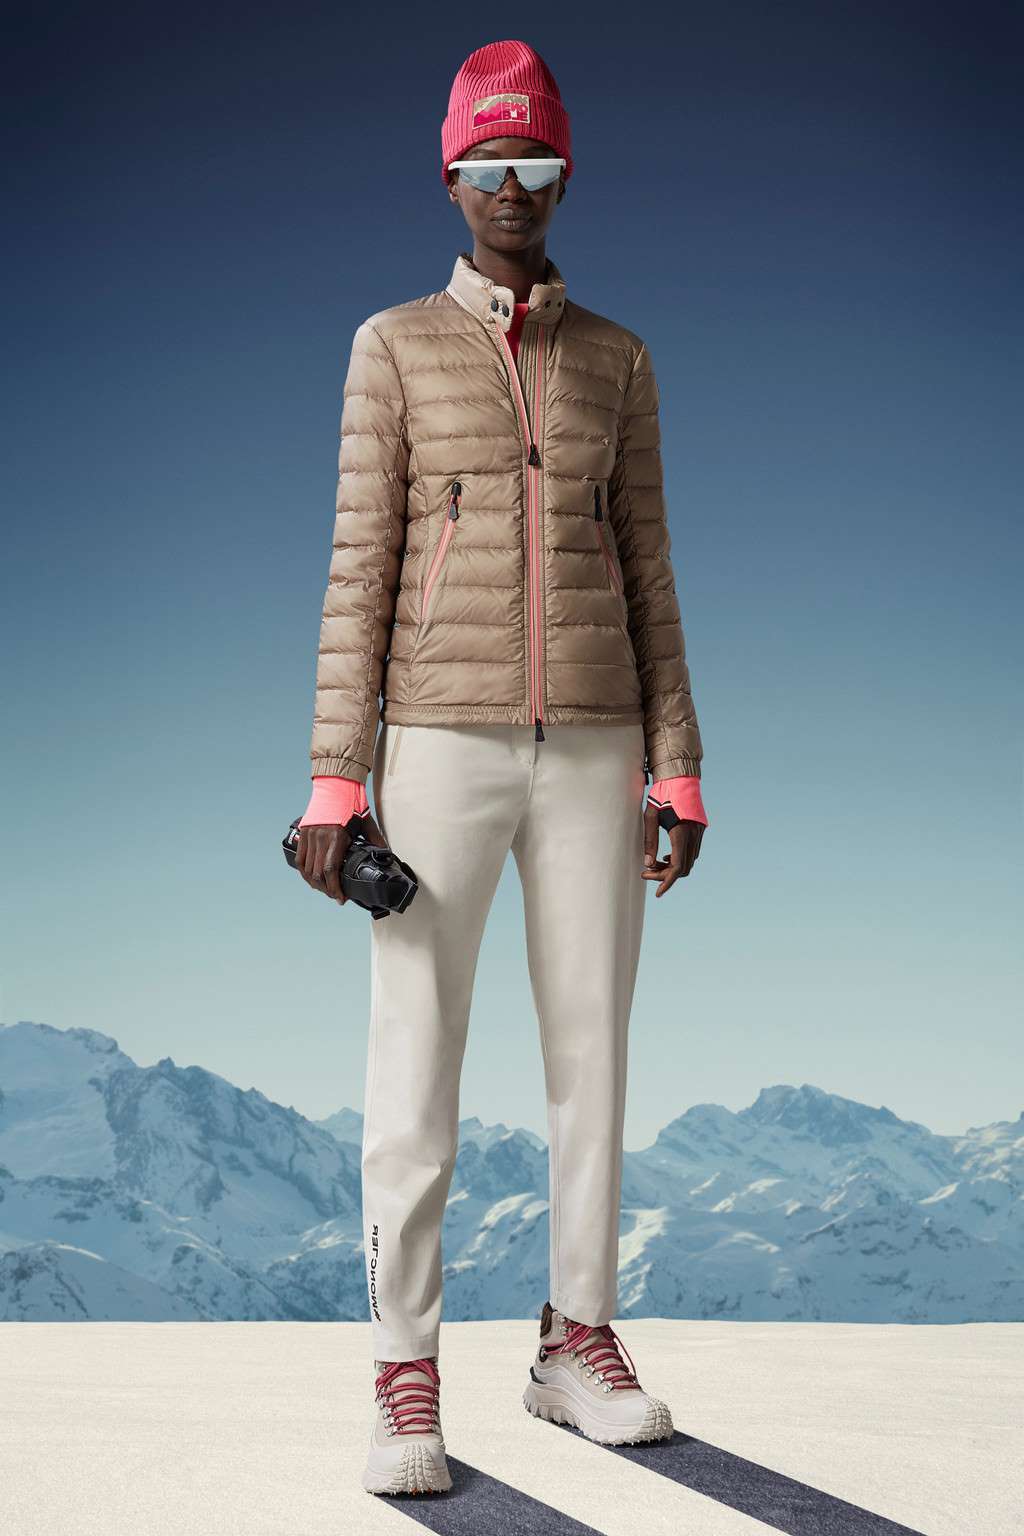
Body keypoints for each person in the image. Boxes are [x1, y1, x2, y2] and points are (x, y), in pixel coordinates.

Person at [292, 39, 708, 1497]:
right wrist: (336, 780)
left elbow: (649, 568)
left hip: (597, 741)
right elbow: (360, 568)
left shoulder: (619, 360)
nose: (511, 187)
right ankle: (404, 1371)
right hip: (436, 744)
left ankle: (573, 1341)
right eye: (487, 164)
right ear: (452, 177)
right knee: (415, 1058)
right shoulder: (393, 346)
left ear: (566, 173)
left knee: (592, 1054)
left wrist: (677, 761)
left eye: (533, 162)